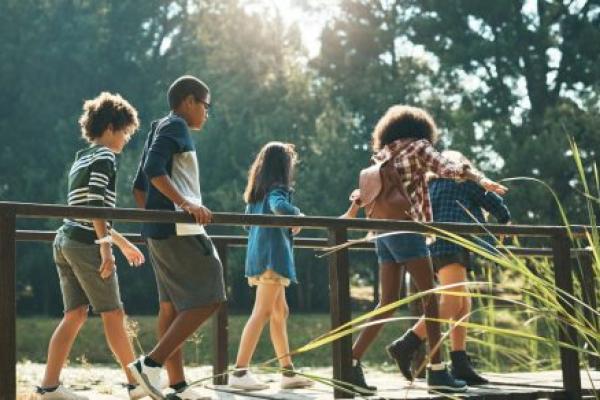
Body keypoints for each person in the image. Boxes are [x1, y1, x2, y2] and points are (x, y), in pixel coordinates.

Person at [341, 105, 507, 393]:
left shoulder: (384, 153)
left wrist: (353, 213)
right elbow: (449, 168)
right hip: (407, 229)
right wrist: (481, 180)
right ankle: (437, 372)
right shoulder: (419, 147)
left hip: (382, 232)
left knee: (387, 302)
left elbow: (366, 193)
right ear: (422, 129)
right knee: (431, 298)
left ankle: (350, 363)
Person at [37, 92, 146, 400]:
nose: (125, 140)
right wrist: (106, 248)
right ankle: (135, 383)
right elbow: (97, 204)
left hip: (66, 239)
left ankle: (49, 387)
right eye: (125, 132)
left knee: (75, 315)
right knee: (113, 313)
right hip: (86, 243)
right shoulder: (106, 157)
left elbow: (85, 209)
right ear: (111, 127)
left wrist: (120, 243)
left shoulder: (82, 157)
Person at [130, 75, 226, 400]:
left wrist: (153, 223)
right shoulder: (176, 127)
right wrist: (185, 204)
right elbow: (155, 170)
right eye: (206, 105)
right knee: (211, 293)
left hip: (160, 231)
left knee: (170, 308)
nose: (207, 113)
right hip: (179, 230)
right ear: (189, 101)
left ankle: (178, 387)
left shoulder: (159, 126)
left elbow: (138, 186)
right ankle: (150, 365)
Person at [405, 150, 510, 385]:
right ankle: (407, 343)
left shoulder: (431, 185)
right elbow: (492, 201)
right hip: (452, 245)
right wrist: (505, 220)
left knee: (463, 303)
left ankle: (460, 362)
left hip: (434, 247)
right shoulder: (463, 180)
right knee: (452, 303)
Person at [228, 142, 314, 391]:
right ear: (282, 167)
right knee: (263, 312)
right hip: (272, 259)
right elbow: (279, 207)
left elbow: (247, 224)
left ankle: (287, 372)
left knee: (279, 312)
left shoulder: (257, 193)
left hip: (259, 257)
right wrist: (297, 216)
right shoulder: (278, 189)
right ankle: (240, 372)